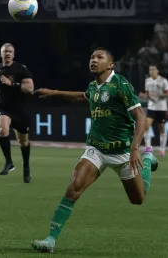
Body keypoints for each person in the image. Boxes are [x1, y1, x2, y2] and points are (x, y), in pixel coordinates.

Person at [31, 48, 159, 253]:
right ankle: (50, 240)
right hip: (96, 149)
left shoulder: (121, 84)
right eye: (91, 57)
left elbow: (141, 117)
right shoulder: (94, 86)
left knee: (138, 199)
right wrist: (54, 93)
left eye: (100, 57)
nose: (94, 60)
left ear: (110, 65)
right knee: (74, 188)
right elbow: (84, 97)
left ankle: (147, 159)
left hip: (123, 151)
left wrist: (136, 149)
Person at [0, 43, 34, 182]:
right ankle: (9, 162)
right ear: (1, 54)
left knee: (23, 142)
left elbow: (30, 88)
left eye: (10, 51)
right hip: (2, 107)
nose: (7, 54)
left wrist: (12, 84)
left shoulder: (21, 69)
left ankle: (26, 166)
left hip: (19, 109)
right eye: (5, 51)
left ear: (13, 54)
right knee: (2, 130)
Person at [139, 63, 168, 156]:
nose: (151, 71)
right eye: (150, 69)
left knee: (161, 128)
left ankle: (162, 149)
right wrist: (144, 95)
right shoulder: (147, 81)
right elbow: (147, 94)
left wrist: (159, 94)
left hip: (161, 107)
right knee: (146, 126)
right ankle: (149, 149)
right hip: (151, 107)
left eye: (153, 69)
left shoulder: (163, 81)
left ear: (157, 71)